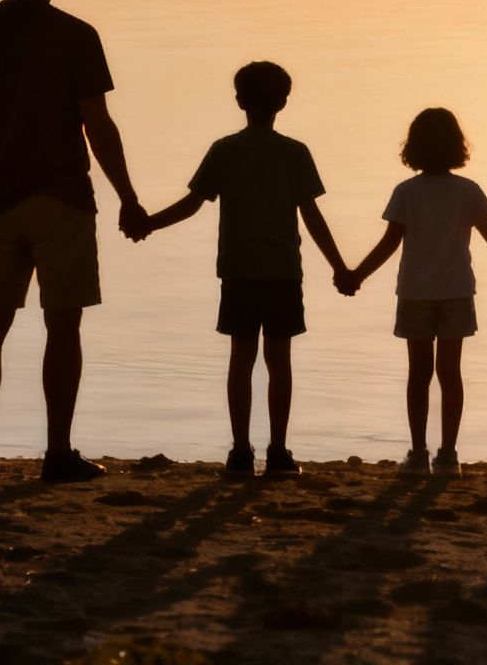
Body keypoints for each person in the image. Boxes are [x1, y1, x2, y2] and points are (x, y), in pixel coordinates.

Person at [0, 0, 147, 482]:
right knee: (63, 326)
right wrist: (128, 198)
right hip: (62, 196)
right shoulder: (76, 35)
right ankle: (57, 452)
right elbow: (97, 126)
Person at [131, 61, 348, 478]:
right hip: (284, 270)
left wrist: (148, 224)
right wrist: (340, 267)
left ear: (239, 101)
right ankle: (279, 451)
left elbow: (192, 203)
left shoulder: (225, 150)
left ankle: (240, 451)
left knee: (241, 360)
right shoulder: (294, 153)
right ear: (283, 102)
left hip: (238, 270)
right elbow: (312, 216)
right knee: (279, 360)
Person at [340, 108, 487, 475]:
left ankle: (417, 453)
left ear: (413, 147)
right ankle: (448, 454)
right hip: (457, 291)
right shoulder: (467, 191)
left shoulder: (407, 193)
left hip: (415, 292)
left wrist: (356, 276)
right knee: (450, 373)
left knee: (419, 374)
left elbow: (388, 245)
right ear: (457, 146)